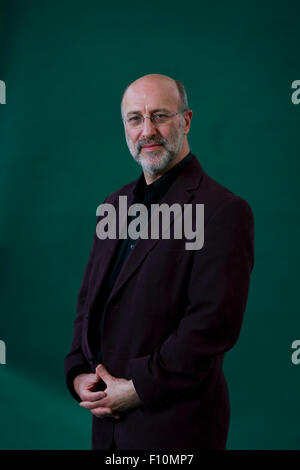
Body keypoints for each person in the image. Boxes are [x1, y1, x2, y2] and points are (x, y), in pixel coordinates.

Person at [64, 73, 254, 450]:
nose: (147, 130)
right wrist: (78, 372)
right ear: (125, 127)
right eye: (135, 118)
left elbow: (211, 327)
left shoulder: (223, 211)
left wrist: (137, 388)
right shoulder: (113, 205)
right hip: (109, 427)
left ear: (185, 121)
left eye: (160, 116)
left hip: (176, 427)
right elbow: (90, 303)